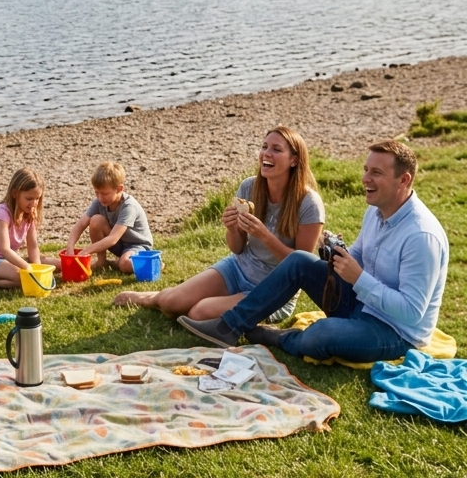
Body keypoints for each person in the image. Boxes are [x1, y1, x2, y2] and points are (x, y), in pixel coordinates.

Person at [178, 139, 449, 364]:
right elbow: (359, 256)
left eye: (376, 173)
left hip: (394, 331)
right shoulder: (376, 211)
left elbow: (412, 312)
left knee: (322, 333)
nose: (365, 178)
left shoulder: (421, 236)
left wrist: (358, 279)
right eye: (366, 169)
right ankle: (229, 327)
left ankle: (279, 337)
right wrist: (335, 253)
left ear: (404, 180)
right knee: (300, 260)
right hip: (361, 302)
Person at [114, 126, 324, 321]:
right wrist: (232, 228)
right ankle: (155, 297)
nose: (266, 154)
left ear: (294, 160)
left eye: (276, 149)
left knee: (199, 312)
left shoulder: (308, 203)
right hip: (239, 267)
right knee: (171, 304)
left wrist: (264, 236)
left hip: (274, 289)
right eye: (264, 147)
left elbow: (301, 267)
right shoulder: (249, 186)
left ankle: (210, 304)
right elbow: (237, 248)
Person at [0, 167, 59, 287]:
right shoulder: (2, 213)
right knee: (23, 278)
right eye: (29, 199)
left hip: (7, 260)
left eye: (37, 198)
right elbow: (5, 249)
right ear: (15, 194)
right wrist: (28, 268)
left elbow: (33, 246)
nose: (34, 203)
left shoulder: (29, 213)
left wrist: (38, 269)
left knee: (56, 265)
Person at [65, 161, 153, 272]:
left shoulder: (128, 206)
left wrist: (87, 251)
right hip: (120, 244)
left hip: (137, 246)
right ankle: (102, 262)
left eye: (105, 193)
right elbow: (81, 224)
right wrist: (70, 247)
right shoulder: (99, 202)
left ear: (119, 189)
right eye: (97, 193)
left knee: (125, 264)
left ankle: (153, 263)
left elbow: (112, 239)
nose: (100, 197)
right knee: (96, 220)